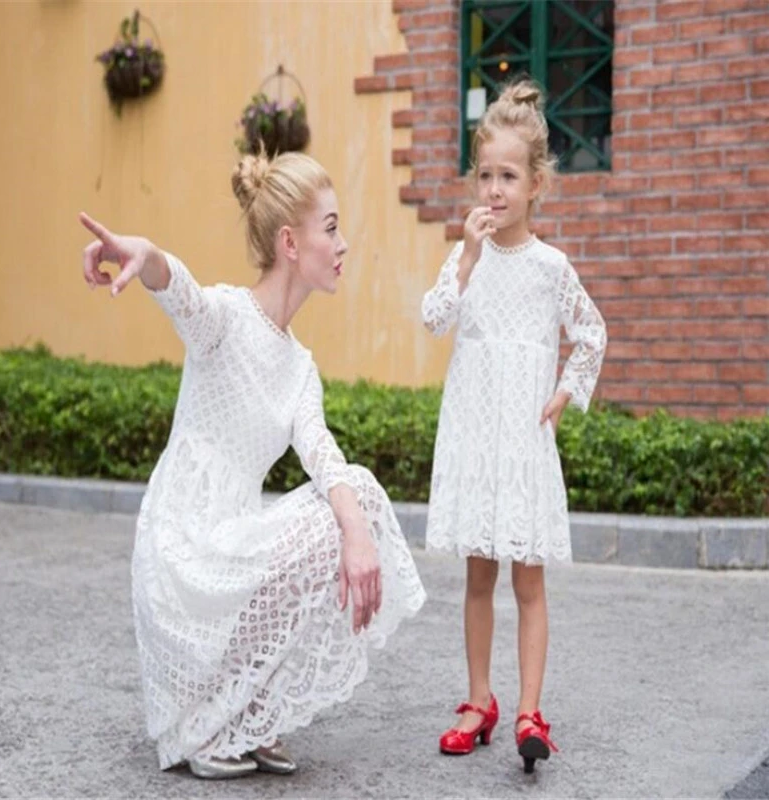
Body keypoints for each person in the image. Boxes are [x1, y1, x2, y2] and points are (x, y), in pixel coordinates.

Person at [79, 151, 426, 779]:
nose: (343, 244)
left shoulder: (299, 367)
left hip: (235, 539)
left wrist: (356, 536)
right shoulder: (226, 321)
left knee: (359, 499)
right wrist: (145, 254)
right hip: (184, 549)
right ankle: (210, 730)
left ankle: (250, 717)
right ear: (291, 243)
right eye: (331, 228)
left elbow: (323, 454)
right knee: (349, 511)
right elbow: (178, 290)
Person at [421, 77, 607, 774]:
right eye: (485, 175)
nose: (494, 190)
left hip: (524, 446)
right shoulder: (466, 257)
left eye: (508, 176)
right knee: (477, 578)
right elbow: (435, 318)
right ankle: (478, 701)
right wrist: (465, 261)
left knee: (529, 583)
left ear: (536, 184)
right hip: (476, 441)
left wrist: (566, 392)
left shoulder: (551, 268)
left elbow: (592, 333)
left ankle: (530, 709)